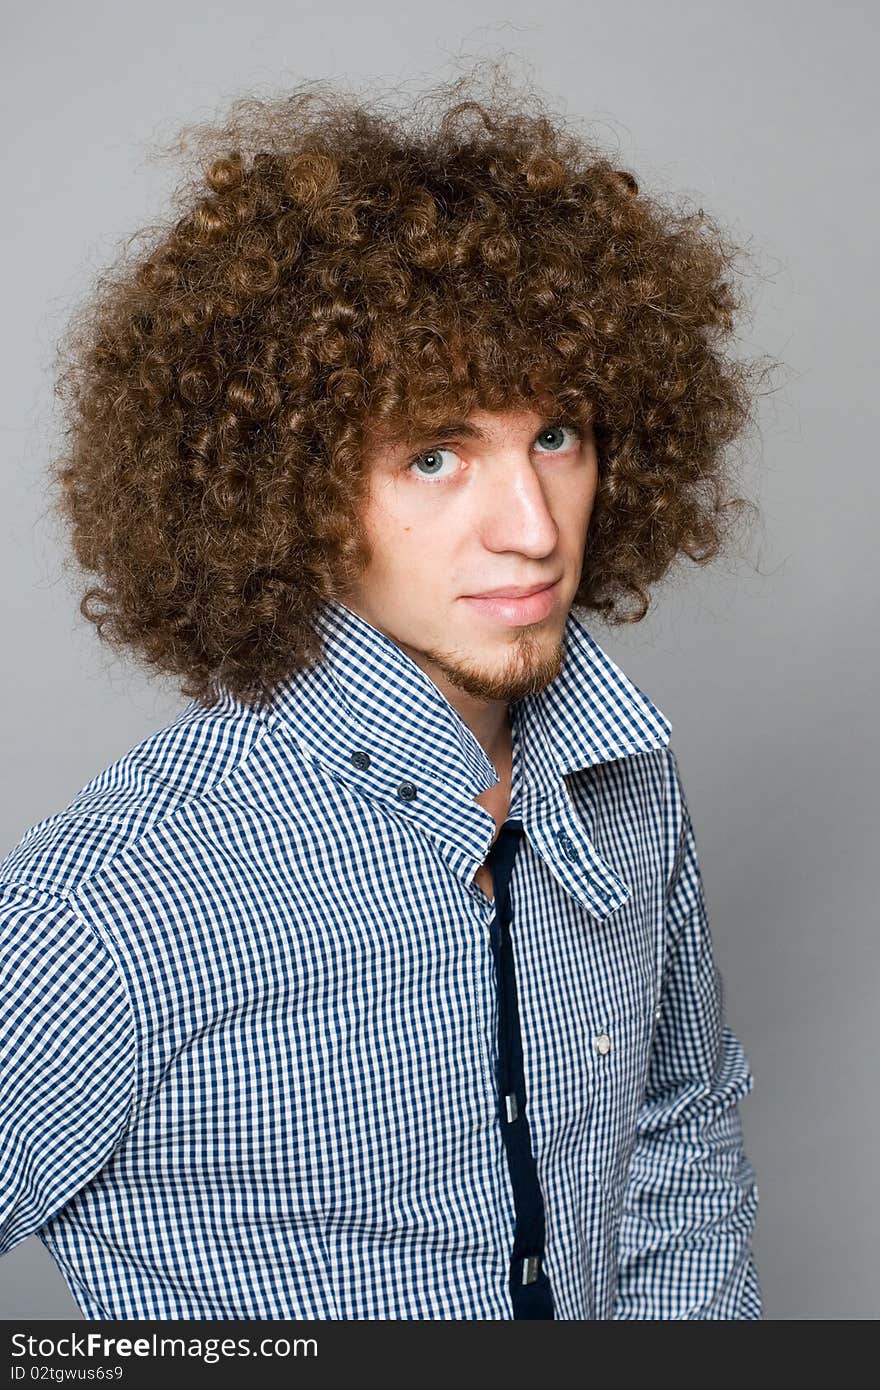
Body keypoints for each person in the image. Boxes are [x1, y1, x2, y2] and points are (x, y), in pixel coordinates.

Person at [0, 68, 766, 1320]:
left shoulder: (626, 782)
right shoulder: (117, 904)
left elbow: (674, 1136)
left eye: (558, 436)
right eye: (432, 454)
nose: (531, 529)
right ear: (282, 488)